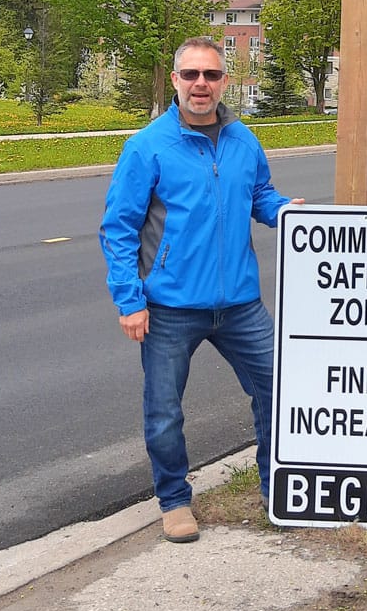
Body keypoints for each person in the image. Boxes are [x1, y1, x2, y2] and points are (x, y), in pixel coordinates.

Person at [100, 36, 303, 544]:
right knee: (165, 410)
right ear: (175, 81)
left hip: (240, 305)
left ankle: (275, 484)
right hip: (169, 308)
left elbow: (260, 196)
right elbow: (118, 228)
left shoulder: (243, 140)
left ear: (224, 82)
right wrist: (130, 300)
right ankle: (174, 501)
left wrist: (288, 212)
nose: (201, 85)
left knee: (280, 392)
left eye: (210, 75)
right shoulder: (147, 147)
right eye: (191, 75)